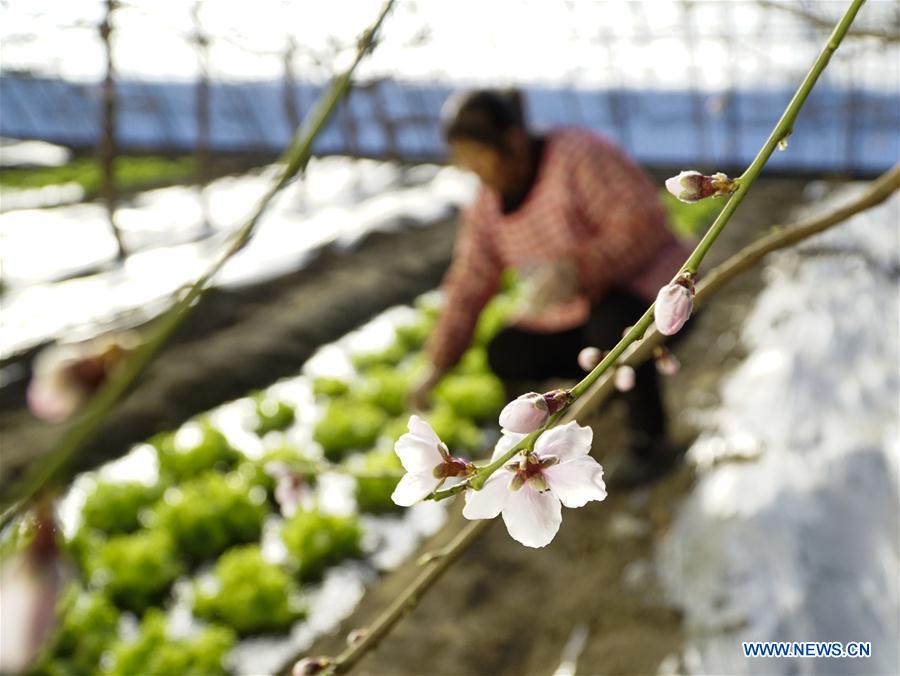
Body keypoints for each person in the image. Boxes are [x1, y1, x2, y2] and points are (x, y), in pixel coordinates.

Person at [410, 88, 693, 484]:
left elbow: (642, 222)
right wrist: (438, 361)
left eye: (479, 156)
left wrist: (575, 270)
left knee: (615, 328)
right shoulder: (487, 206)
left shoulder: (579, 156)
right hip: (571, 310)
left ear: (512, 141)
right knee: (507, 350)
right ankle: (594, 398)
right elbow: (470, 280)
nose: (475, 171)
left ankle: (651, 442)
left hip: (648, 290)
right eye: (465, 161)